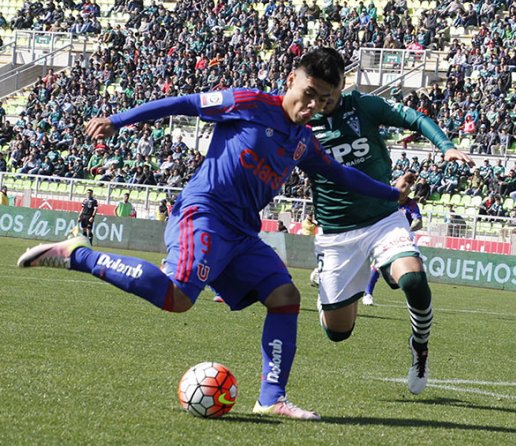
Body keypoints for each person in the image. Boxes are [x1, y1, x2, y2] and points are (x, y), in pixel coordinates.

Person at [17, 49, 409, 420]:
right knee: (178, 298)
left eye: (323, 100)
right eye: (309, 94)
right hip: (203, 214)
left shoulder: (303, 141)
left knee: (285, 297)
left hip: (241, 233)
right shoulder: (249, 103)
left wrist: (393, 194)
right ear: (291, 79)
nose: (313, 107)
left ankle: (272, 399)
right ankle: (78, 254)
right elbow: (185, 103)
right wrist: (118, 120)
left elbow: (340, 173)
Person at [307, 63, 474, 395]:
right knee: (337, 333)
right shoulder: (299, 118)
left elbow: (414, 119)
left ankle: (420, 349)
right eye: (316, 92)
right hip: (336, 234)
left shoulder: (363, 105)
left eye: (329, 92)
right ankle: (335, 291)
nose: (322, 101)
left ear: (342, 84)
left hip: (383, 218)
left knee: (412, 277)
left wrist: (446, 145)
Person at [361, 195, 424, 306]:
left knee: (414, 264)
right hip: (387, 235)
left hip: (404, 238)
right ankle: (367, 294)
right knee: (377, 264)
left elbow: (418, 221)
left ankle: (414, 297)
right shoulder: (388, 201)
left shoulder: (411, 204)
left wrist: (408, 229)